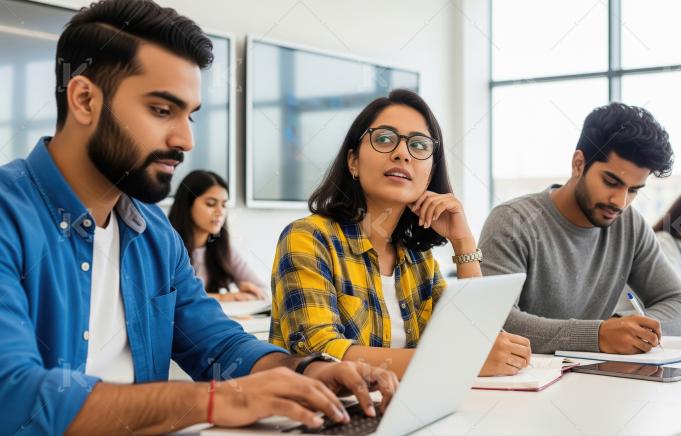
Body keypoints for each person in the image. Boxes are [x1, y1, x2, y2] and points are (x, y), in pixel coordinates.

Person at [0, 2, 397, 434]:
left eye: (189, 115)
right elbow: (17, 398)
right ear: (84, 99)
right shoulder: (9, 216)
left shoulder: (153, 233)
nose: (185, 140)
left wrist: (306, 370)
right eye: (160, 110)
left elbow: (218, 345)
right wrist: (215, 401)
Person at [269, 89, 532, 378]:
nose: (402, 153)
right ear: (353, 161)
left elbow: (479, 339)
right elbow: (320, 354)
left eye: (419, 146)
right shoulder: (308, 238)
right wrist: (459, 361)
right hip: (331, 415)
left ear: (429, 174)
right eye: (384, 139)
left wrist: (462, 241)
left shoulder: (417, 258)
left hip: (407, 410)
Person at [479, 102, 681, 355]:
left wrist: (624, 330)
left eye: (634, 190)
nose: (620, 201)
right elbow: (498, 321)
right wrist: (598, 335)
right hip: (524, 383)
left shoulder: (630, 225)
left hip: (596, 380)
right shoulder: (513, 221)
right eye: (611, 181)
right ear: (578, 163)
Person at [169, 170, 268, 301]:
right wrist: (222, 297)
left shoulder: (223, 249)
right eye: (211, 203)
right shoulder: (168, 248)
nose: (220, 212)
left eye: (224, 205)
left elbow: (263, 291)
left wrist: (250, 293)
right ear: (188, 205)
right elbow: (173, 298)